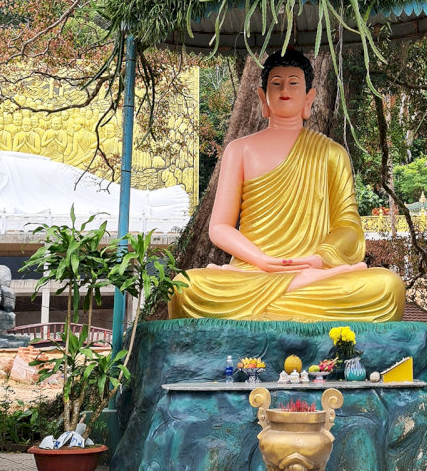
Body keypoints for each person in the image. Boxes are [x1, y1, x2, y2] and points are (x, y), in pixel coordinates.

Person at [169, 49, 405, 321]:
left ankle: (277, 302)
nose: (284, 90)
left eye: (294, 83)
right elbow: (219, 228)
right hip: (253, 274)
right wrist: (261, 260)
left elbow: (348, 227)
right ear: (262, 97)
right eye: (276, 83)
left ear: (309, 97)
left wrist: (320, 258)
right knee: (186, 287)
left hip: (314, 272)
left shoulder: (332, 153)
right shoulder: (239, 150)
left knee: (388, 287)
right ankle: (292, 296)